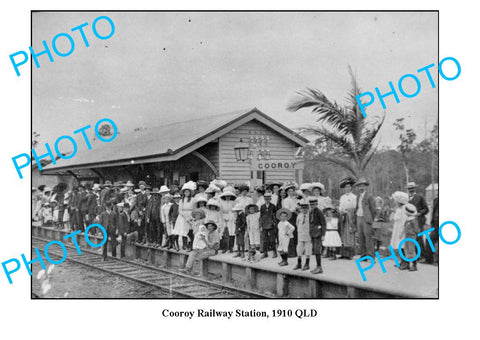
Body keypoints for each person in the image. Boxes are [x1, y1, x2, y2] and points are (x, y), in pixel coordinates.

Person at [354, 178, 376, 259]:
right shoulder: (357, 197)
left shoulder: (369, 196)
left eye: (362, 186)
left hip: (366, 219)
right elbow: (357, 207)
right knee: (360, 237)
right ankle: (363, 255)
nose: (361, 188)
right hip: (359, 217)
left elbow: (373, 209)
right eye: (359, 186)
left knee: (368, 237)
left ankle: (371, 255)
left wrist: (371, 219)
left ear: (366, 187)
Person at [407, 182, 429, 261]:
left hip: (418, 220)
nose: (411, 190)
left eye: (412, 188)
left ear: (415, 188)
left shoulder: (420, 197)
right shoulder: (407, 198)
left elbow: (426, 209)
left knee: (419, 237)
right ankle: (413, 255)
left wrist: (419, 213)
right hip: (409, 221)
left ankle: (422, 255)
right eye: (409, 189)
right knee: (411, 238)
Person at [172, 181, 196, 250]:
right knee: (183, 231)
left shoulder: (193, 200)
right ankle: (184, 245)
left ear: (190, 193)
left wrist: (191, 217)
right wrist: (185, 217)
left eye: (188, 192)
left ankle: (190, 245)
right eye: (185, 192)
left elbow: (194, 209)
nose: (186, 193)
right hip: (182, 217)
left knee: (190, 231)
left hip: (190, 215)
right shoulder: (181, 200)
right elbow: (180, 210)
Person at [338, 177, 357, 259]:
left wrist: (349, 212)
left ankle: (350, 254)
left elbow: (355, 207)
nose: (347, 188)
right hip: (343, 216)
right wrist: (340, 210)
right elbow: (341, 206)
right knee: (343, 233)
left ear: (351, 188)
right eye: (346, 187)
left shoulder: (354, 197)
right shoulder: (342, 197)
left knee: (349, 233)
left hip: (350, 216)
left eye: (349, 187)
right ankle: (343, 253)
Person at [400, 203, 421, 271]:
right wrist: (402, 234)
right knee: (406, 249)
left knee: (411, 249)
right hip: (407, 235)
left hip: (412, 236)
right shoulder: (408, 219)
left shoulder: (413, 220)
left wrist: (416, 234)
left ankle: (414, 265)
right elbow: (404, 227)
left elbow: (416, 229)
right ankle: (408, 264)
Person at [308, 197, 327, 274]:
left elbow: (323, 223)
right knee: (315, 250)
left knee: (317, 250)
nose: (312, 205)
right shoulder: (311, 211)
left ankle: (319, 267)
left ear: (316, 204)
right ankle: (318, 266)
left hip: (318, 233)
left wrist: (323, 234)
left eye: (313, 204)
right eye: (311, 204)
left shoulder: (319, 212)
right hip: (312, 232)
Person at [390, 191, 409, 260]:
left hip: (400, 228)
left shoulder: (401, 209)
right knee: (400, 245)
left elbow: (397, 218)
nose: (395, 202)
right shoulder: (402, 208)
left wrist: (393, 216)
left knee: (401, 244)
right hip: (399, 227)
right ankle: (402, 261)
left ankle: (404, 261)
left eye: (396, 201)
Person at [282, 181, 298, 257]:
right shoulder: (286, 200)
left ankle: (296, 251)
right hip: (290, 217)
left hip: (296, 217)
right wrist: (295, 208)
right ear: (287, 192)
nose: (291, 192)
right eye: (290, 191)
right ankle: (290, 252)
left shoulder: (296, 199)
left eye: (292, 191)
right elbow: (287, 210)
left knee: (296, 234)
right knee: (290, 233)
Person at [294, 202, 312, 270]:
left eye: (306, 208)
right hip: (301, 234)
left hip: (308, 234)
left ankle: (307, 264)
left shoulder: (310, 216)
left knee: (308, 248)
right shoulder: (299, 215)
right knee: (299, 248)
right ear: (300, 209)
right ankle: (299, 263)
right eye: (302, 209)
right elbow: (297, 224)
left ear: (308, 209)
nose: (304, 210)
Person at [259, 192, 278, 258]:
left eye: (268, 199)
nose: (267, 200)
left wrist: (274, 222)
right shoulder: (262, 206)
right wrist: (261, 225)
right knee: (265, 239)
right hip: (264, 225)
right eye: (266, 199)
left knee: (272, 239)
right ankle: (265, 252)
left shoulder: (273, 206)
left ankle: (274, 252)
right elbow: (261, 216)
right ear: (264, 199)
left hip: (271, 225)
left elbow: (276, 215)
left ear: (270, 199)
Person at [219, 187, 237, 253]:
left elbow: (235, 210)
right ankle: (225, 247)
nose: (227, 197)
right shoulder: (221, 202)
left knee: (231, 232)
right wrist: (223, 217)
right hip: (223, 217)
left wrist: (233, 217)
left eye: (229, 196)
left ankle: (231, 247)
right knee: (224, 232)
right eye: (226, 196)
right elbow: (220, 211)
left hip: (231, 217)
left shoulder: (233, 202)